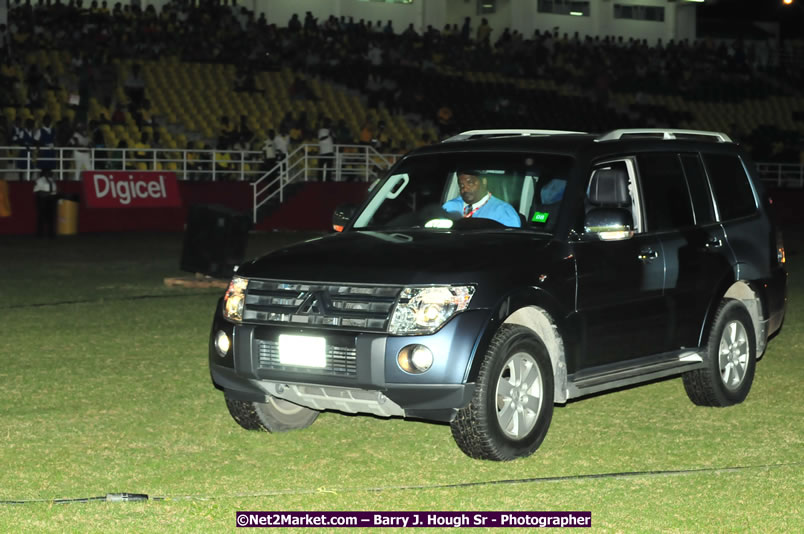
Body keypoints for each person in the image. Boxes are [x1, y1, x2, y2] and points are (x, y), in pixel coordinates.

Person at [442, 170, 521, 227]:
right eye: (461, 185)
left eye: (470, 183)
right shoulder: (449, 207)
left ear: (484, 181)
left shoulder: (503, 212)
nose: (465, 189)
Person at [33, 168, 58, 238]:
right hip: (43, 200)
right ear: (45, 173)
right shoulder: (40, 180)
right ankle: (40, 234)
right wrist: (48, 193)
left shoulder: (51, 180)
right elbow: (37, 191)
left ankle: (51, 234)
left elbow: (54, 189)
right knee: (42, 217)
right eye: (49, 172)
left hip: (51, 200)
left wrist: (54, 194)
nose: (51, 173)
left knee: (51, 217)